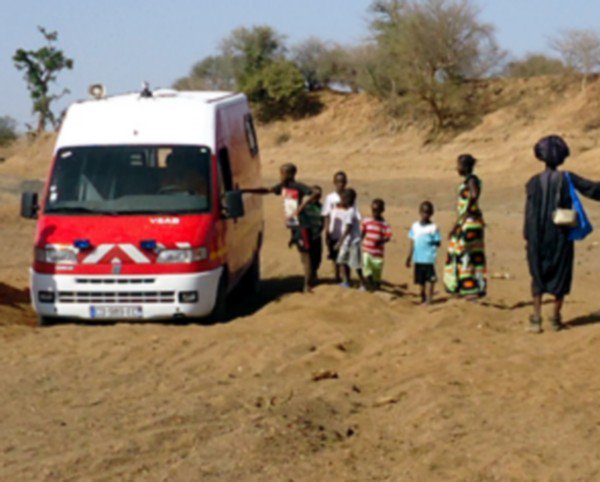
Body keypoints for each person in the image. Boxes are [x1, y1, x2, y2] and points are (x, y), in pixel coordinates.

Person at [524, 135, 600, 333]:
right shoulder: (567, 178)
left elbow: (529, 213)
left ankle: (536, 318)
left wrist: (528, 237)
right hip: (560, 234)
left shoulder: (533, 182)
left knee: (538, 275)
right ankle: (555, 318)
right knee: (561, 274)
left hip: (537, 235)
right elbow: (592, 189)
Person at [242, 163, 318, 293]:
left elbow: (315, 192)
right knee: (301, 254)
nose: (280, 175)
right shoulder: (283, 186)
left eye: (282, 173)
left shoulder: (297, 186)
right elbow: (267, 190)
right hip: (293, 224)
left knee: (305, 255)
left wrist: (301, 206)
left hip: (302, 224)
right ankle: (309, 279)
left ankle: (308, 284)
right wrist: (248, 191)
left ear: (289, 174)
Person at [444, 154, 486, 300]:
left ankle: (470, 288)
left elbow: (473, 196)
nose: (457, 168)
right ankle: (467, 286)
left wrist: (468, 209)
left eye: (459, 165)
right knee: (467, 254)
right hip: (468, 221)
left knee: (463, 254)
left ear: (466, 167)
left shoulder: (471, 180)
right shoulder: (470, 181)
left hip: (469, 223)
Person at [406, 201, 442, 305]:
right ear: (420, 212)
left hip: (429, 259)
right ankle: (423, 296)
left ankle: (429, 299)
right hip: (418, 259)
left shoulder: (433, 228)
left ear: (431, 213)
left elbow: (438, 242)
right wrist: (409, 257)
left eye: (428, 213)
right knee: (420, 281)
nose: (425, 215)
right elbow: (412, 242)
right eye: (423, 212)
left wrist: (432, 242)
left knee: (430, 280)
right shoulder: (415, 226)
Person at [335, 188, 367, 290]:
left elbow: (348, 228)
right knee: (342, 261)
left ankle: (363, 283)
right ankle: (346, 281)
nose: (341, 200)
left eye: (343, 198)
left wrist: (340, 242)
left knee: (356, 264)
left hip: (353, 242)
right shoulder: (348, 211)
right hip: (347, 242)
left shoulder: (351, 212)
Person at [322, 171, 351, 282]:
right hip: (334, 232)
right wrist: (327, 229)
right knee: (335, 257)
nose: (341, 184)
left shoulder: (349, 197)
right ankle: (337, 277)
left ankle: (346, 279)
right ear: (334, 182)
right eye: (338, 182)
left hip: (346, 232)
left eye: (343, 182)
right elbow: (326, 215)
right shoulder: (330, 198)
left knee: (346, 257)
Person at [361, 198, 392, 291]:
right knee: (366, 267)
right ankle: (368, 285)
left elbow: (388, 236)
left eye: (377, 210)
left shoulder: (384, 224)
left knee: (376, 271)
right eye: (373, 210)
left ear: (382, 211)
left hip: (378, 253)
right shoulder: (366, 221)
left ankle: (376, 286)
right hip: (367, 250)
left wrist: (382, 240)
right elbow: (362, 232)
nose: (375, 212)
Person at [304, 185, 325, 286]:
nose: (316, 197)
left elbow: (324, 220)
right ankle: (309, 280)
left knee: (317, 257)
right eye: (314, 195)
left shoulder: (321, 207)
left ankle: (314, 272)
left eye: (318, 195)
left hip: (317, 236)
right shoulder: (305, 207)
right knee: (308, 259)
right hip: (307, 236)